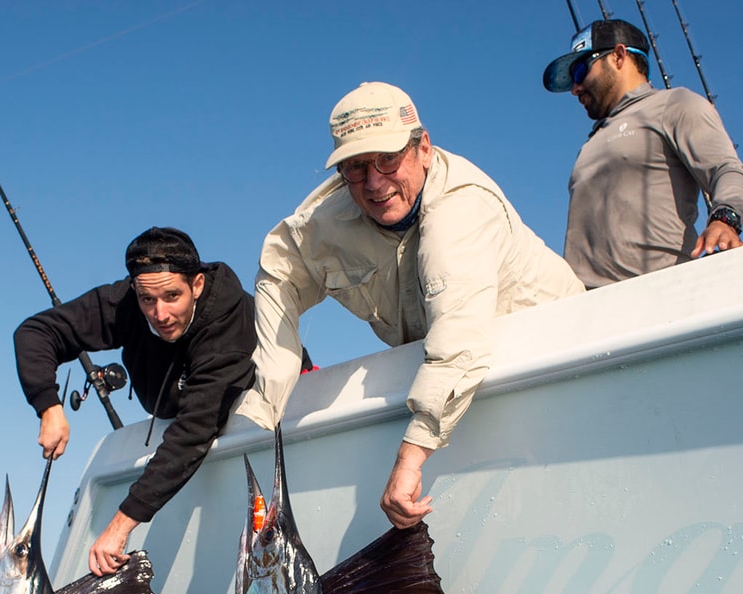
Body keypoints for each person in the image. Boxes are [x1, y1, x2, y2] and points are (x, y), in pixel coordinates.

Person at [234, 81, 583, 531]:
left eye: (387, 159)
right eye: (355, 167)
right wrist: (270, 394)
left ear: (424, 148)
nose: (374, 183)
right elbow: (279, 267)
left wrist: (409, 460)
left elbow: (458, 346)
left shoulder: (461, 208)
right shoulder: (331, 217)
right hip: (452, 390)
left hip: (558, 370)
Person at [14, 227, 256, 576]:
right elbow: (37, 332)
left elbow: (194, 432)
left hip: (245, 408)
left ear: (197, 285)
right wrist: (48, 406)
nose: (160, 314)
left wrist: (120, 526)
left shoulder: (226, 322)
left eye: (172, 296)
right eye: (148, 300)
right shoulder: (128, 303)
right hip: (171, 410)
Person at [543, 18, 743, 289]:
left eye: (580, 71)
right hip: (583, 303)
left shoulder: (675, 104)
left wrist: (725, 220)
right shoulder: (590, 144)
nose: (575, 88)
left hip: (658, 293)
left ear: (618, 56)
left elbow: (726, 169)